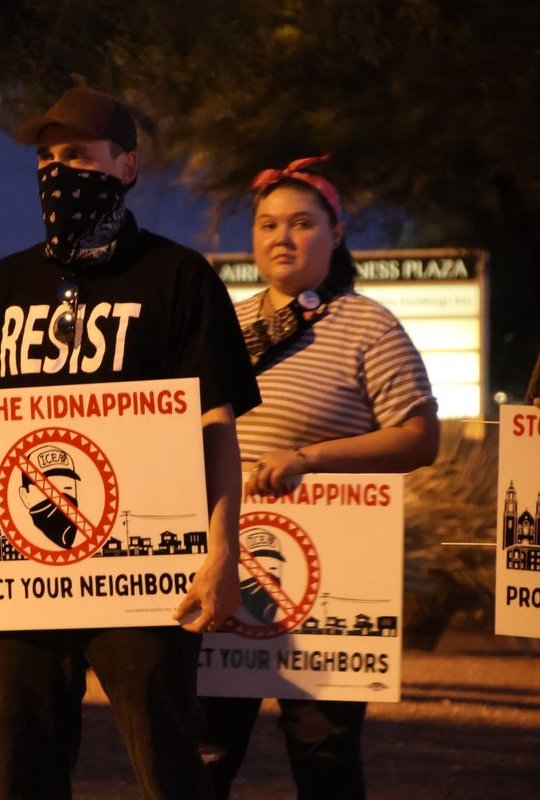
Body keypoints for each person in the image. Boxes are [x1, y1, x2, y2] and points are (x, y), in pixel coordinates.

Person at [0, 87, 262, 800]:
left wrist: (224, 550)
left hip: (144, 575)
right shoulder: (7, 283)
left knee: (167, 758)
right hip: (19, 576)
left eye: (77, 156)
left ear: (126, 166)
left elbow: (216, 424)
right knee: (23, 762)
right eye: (45, 158)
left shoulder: (178, 276)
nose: (56, 172)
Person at [198, 156, 440, 800]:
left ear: (336, 234)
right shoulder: (223, 322)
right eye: (268, 223)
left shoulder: (370, 325)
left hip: (328, 588)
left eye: (303, 223)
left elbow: (420, 437)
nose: (282, 237)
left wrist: (311, 458)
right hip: (225, 574)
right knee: (202, 758)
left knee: (324, 763)